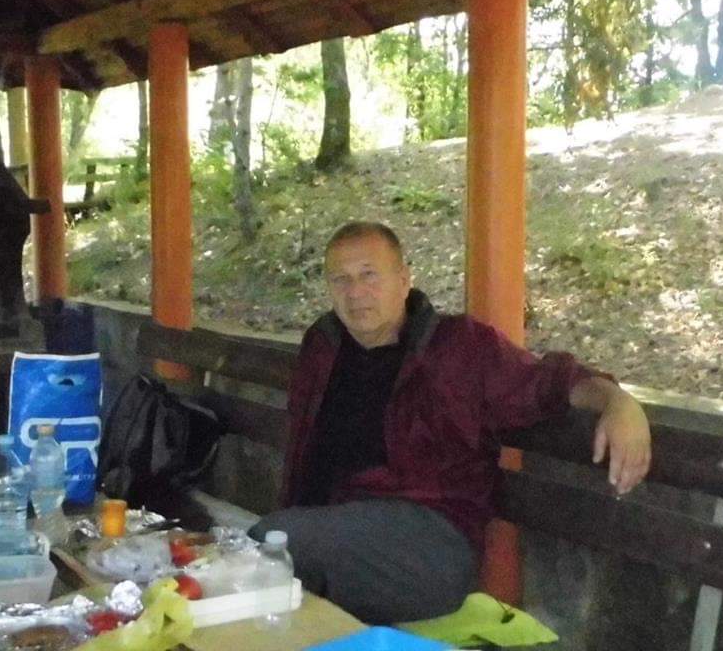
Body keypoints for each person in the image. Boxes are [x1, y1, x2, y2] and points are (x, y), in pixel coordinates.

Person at [250, 221, 651, 624]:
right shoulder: (323, 347)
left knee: (271, 549)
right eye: (341, 279)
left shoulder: (460, 347)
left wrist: (617, 401)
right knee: (252, 562)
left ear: (403, 280)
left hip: (428, 543)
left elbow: (550, 383)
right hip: (332, 531)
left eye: (369, 275)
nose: (355, 292)